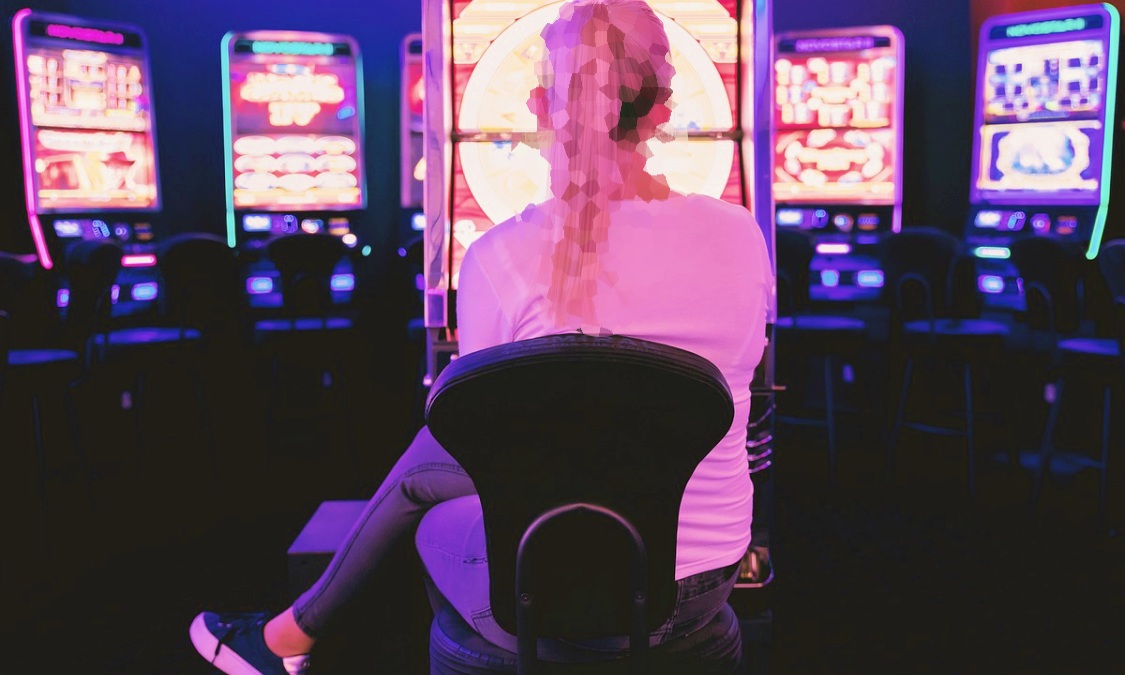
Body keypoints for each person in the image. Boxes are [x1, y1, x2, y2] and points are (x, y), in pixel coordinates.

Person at [189, 1, 772, 673]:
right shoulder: (740, 237)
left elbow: (484, 444)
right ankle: (289, 635)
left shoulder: (499, 257)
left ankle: (289, 638)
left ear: (536, 106)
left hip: (549, 590)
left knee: (430, 495)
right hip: (708, 578)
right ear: (668, 107)